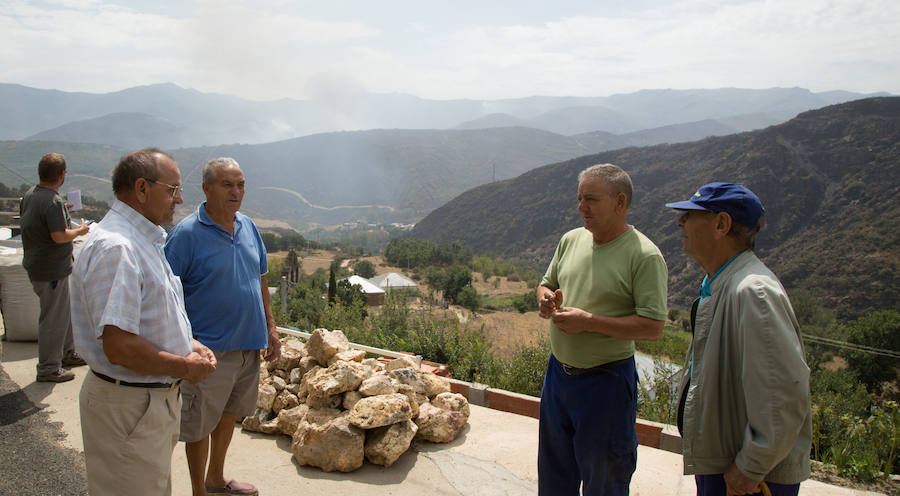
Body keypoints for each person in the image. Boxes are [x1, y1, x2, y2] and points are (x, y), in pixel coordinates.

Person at [70, 148, 217, 496]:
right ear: (140, 188)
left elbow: (151, 316)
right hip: (130, 408)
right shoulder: (119, 248)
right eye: (172, 189)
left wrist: (191, 346)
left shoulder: (143, 239)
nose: (179, 199)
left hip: (144, 404)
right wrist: (185, 366)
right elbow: (120, 346)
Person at [667, 182, 811, 496]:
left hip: (750, 479)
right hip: (728, 467)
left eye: (690, 215)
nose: (680, 223)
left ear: (721, 224)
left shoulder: (753, 292)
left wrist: (751, 465)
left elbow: (783, 393)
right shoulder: (722, 284)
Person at [536, 163, 668, 495]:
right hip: (558, 377)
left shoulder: (644, 256)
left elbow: (653, 327)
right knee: (554, 475)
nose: (581, 207)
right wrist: (546, 300)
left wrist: (590, 322)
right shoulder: (571, 240)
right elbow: (546, 283)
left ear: (620, 202)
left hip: (605, 384)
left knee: (604, 480)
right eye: (580, 199)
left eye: (591, 199)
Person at [165, 157, 281, 496]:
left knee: (228, 415)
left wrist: (270, 327)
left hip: (247, 344)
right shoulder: (186, 235)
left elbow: (260, 279)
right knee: (200, 424)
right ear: (206, 188)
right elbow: (165, 293)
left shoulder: (248, 226)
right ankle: (198, 492)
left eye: (240, 184)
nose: (236, 192)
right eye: (227, 184)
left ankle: (216, 480)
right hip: (208, 350)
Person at [19, 152, 90, 382]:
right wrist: (80, 231)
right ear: (61, 175)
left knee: (63, 312)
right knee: (53, 318)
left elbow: (40, 221)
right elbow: (59, 236)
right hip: (51, 269)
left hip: (38, 264)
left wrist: (62, 211)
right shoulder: (53, 202)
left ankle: (69, 353)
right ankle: (48, 368)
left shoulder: (31, 195)